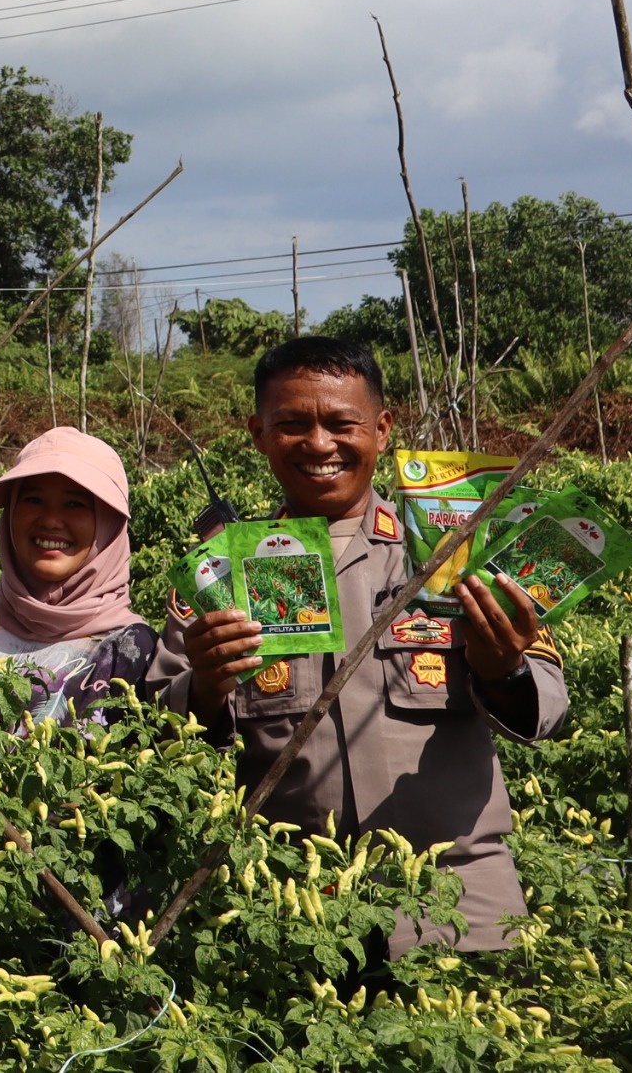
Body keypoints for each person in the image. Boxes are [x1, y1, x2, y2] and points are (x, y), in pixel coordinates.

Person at [147, 335, 565, 954]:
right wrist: (205, 685)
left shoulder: (456, 551)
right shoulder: (219, 574)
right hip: (290, 912)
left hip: (458, 905)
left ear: (381, 429)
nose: (319, 445)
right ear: (258, 433)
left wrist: (501, 669)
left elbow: (550, 708)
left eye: (342, 423)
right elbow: (151, 733)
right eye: (291, 424)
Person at [0, 427, 158, 722]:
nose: (51, 520)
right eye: (33, 500)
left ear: (109, 524)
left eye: (75, 504)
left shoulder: (133, 651)